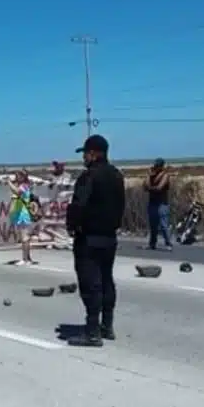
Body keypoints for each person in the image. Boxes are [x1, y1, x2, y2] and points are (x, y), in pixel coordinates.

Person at [66, 134, 125, 347]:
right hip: (110, 237)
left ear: (93, 153)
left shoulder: (89, 177)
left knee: (90, 284)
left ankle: (92, 331)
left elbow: (78, 206)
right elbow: (121, 206)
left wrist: (72, 227)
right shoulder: (117, 175)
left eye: (85, 153)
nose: (83, 157)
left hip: (89, 237)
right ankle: (107, 325)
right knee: (106, 280)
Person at [7, 169, 41, 264]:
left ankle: (25, 259)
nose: (16, 177)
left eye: (18, 175)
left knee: (24, 237)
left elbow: (17, 192)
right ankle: (28, 258)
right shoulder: (21, 185)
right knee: (24, 237)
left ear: (23, 177)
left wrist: (9, 182)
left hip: (24, 214)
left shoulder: (25, 186)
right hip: (19, 214)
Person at [144, 157, 172, 251]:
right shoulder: (152, 175)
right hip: (152, 202)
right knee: (153, 225)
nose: (156, 167)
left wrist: (150, 188)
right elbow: (145, 186)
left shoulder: (165, 175)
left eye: (158, 166)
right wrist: (148, 175)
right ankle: (152, 243)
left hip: (162, 203)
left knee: (164, 225)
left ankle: (168, 243)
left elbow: (159, 188)